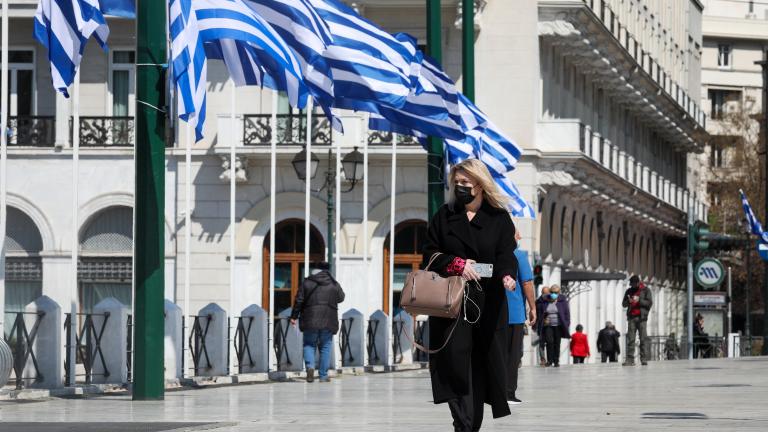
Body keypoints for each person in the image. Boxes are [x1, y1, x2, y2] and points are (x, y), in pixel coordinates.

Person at [422, 158, 519, 432]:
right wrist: (457, 264)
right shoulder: (444, 215)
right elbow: (429, 254)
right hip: (452, 302)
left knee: (480, 363)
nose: (461, 187)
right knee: (454, 363)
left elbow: (505, 254)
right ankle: (462, 423)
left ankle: (469, 424)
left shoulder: (499, 218)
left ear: (480, 184)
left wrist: (507, 275)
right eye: (457, 183)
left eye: (466, 182)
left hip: (488, 302)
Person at [289, 262, 345, 383]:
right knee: (325, 346)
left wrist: (294, 316)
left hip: (310, 319)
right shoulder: (332, 283)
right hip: (328, 320)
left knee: (309, 344)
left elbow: (299, 300)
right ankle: (323, 375)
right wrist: (333, 282)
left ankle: (310, 367)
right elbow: (341, 297)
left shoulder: (307, 283)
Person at [505, 230, 537, 405]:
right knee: (513, 354)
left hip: (493, 313)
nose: (520, 236)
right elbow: (527, 283)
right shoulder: (519, 255)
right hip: (514, 313)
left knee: (497, 353)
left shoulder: (493, 254)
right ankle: (508, 393)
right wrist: (533, 308)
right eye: (517, 234)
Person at [536, 284, 570, 367]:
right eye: (552, 292)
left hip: (558, 325)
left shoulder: (562, 301)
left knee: (557, 343)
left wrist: (567, 323)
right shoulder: (546, 300)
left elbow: (567, 313)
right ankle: (550, 361)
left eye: (556, 292)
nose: (554, 294)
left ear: (559, 293)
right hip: (548, 325)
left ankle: (556, 361)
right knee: (549, 342)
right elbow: (538, 302)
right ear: (550, 292)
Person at [621, 275, 653, 366]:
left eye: (634, 284)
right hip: (632, 317)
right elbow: (623, 304)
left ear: (638, 283)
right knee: (631, 339)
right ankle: (630, 360)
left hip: (642, 318)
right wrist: (629, 301)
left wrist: (639, 300)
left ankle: (643, 359)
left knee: (643, 338)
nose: (632, 286)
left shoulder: (646, 290)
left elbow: (649, 303)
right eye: (631, 284)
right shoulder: (629, 291)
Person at [534, 286, 550, 366]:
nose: (546, 294)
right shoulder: (538, 302)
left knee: (550, 342)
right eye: (544, 293)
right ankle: (543, 359)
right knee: (541, 343)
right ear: (542, 293)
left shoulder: (551, 301)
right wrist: (535, 325)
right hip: (540, 325)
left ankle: (550, 359)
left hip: (550, 325)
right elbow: (535, 314)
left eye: (547, 293)